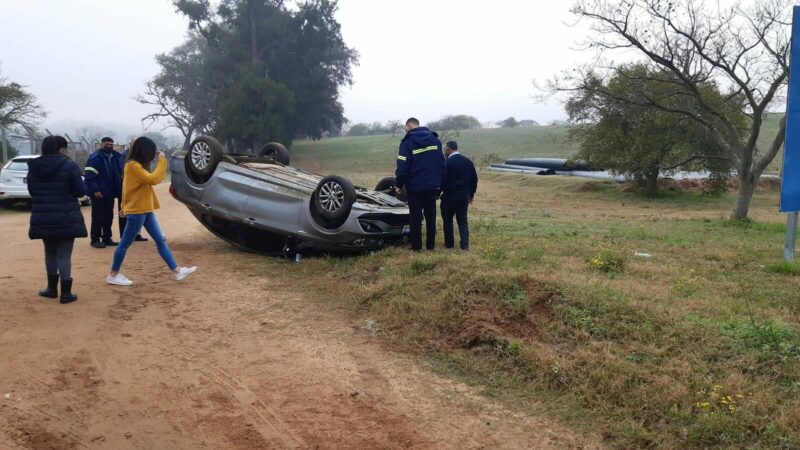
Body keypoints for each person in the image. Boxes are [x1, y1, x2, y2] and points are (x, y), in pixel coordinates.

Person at [107, 136, 196, 286]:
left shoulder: (136, 166)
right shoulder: (133, 166)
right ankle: (113, 274)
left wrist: (123, 207)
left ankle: (176, 271)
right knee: (124, 244)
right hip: (137, 211)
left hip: (145, 209)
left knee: (160, 240)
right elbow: (154, 179)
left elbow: (127, 188)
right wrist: (162, 161)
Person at [27, 135, 88, 304]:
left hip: (44, 215)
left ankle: (51, 289)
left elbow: (32, 191)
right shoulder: (69, 165)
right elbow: (80, 191)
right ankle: (66, 293)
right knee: (65, 253)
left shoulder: (34, 166)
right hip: (67, 215)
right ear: (61, 149)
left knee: (49, 251)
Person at [395, 117, 445, 251]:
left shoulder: (407, 142)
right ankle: (430, 246)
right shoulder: (435, 140)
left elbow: (403, 166)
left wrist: (399, 184)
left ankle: (416, 247)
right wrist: (440, 183)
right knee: (431, 216)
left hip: (415, 186)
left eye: (406, 128)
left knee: (415, 217)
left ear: (410, 126)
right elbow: (442, 163)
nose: (405, 131)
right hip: (431, 186)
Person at [84, 137, 122, 248]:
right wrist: (95, 190)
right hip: (99, 193)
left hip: (110, 192)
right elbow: (90, 176)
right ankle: (95, 239)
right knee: (97, 217)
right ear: (101, 145)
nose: (109, 146)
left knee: (108, 216)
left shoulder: (115, 157)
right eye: (106, 144)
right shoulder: (95, 158)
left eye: (111, 144)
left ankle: (107, 238)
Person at [440, 141, 478, 250]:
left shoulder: (446, 162)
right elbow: (474, 180)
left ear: (448, 150)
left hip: (448, 196)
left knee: (447, 221)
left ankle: (449, 244)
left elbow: (442, 180)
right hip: (463, 196)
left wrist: (438, 193)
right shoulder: (467, 162)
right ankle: (465, 245)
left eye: (445, 150)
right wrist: (471, 195)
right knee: (462, 221)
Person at [117, 140, 147, 242]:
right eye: (135, 143)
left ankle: (136, 234)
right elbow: (122, 170)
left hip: (139, 187)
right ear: (130, 144)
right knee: (125, 211)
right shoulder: (124, 156)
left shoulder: (140, 157)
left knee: (139, 210)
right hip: (127, 187)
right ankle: (124, 236)